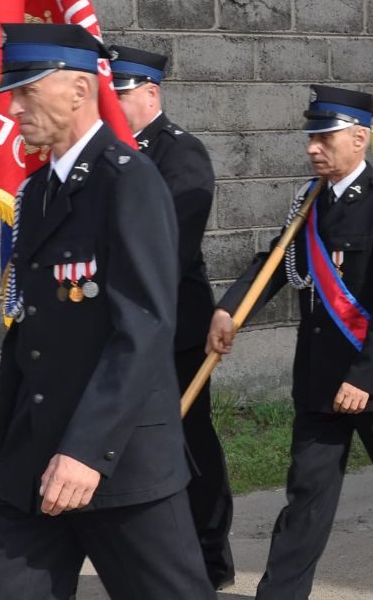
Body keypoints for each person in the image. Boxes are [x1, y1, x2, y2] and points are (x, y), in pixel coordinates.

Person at [0, 24, 214, 599]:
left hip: (119, 460)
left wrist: (86, 452)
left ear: (80, 90)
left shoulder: (129, 182)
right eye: (12, 91)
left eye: (28, 90)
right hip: (34, 456)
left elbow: (143, 327)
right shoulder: (35, 193)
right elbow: (25, 331)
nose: (13, 106)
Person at [209, 84, 373, 600]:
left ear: (358, 138)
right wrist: (231, 309)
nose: (312, 146)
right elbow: (274, 264)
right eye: (311, 135)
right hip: (320, 382)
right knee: (305, 500)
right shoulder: (309, 200)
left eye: (324, 136)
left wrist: (363, 377)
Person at [108, 42, 234, 589]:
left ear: (151, 93)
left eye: (121, 94)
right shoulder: (110, 152)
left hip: (173, 324)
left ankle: (211, 555)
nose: (111, 105)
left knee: (189, 438)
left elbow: (172, 247)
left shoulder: (180, 153)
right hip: (118, 323)